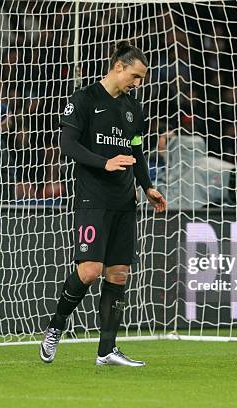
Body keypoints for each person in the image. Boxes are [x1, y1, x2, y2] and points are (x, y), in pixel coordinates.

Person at [40, 41, 166, 366]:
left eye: (141, 79)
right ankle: (56, 325)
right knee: (90, 271)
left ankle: (106, 351)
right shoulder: (84, 99)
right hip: (92, 198)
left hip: (125, 200)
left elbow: (136, 152)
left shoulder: (133, 108)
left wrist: (148, 186)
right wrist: (104, 163)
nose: (137, 84)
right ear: (118, 66)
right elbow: (67, 144)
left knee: (119, 273)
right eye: (135, 76)